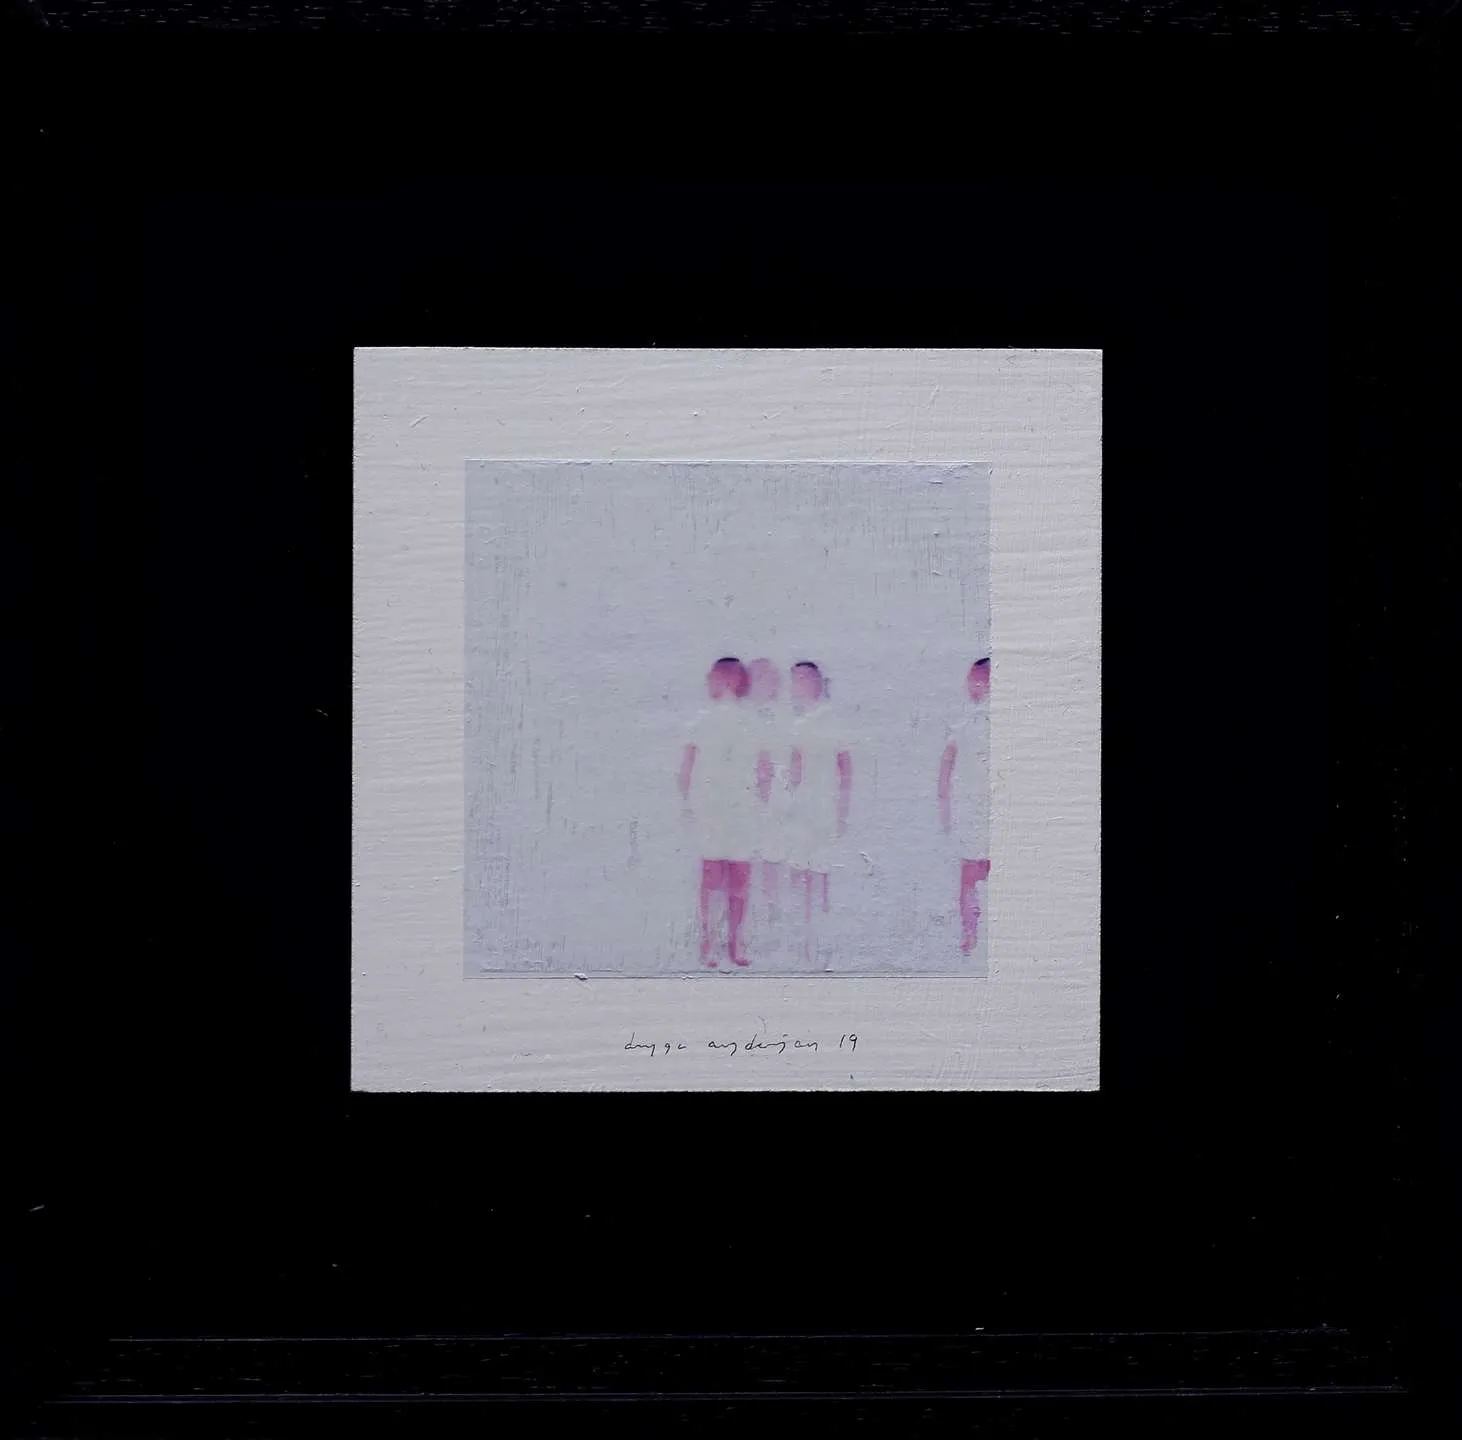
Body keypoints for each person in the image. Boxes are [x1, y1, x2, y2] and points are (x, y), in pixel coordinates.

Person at [678, 657, 756, 968]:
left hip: (725, 809)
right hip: (727, 809)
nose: (708, 682)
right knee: (733, 879)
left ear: (727, 680)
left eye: (712, 677)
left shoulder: (713, 722)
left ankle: (718, 943)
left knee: (717, 878)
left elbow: (686, 771)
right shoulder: (709, 722)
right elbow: (687, 769)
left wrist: (688, 804)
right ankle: (722, 943)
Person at [783, 661, 852, 962]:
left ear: (813, 683)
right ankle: (808, 939)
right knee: (808, 872)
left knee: (812, 873)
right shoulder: (807, 723)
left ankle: (812, 939)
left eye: (797, 681)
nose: (793, 688)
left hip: (817, 809)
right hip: (812, 809)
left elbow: (844, 770)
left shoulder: (818, 723)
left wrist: (842, 812)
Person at [938, 658, 991, 963]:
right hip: (981, 811)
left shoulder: (966, 725)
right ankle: (972, 933)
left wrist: (946, 806)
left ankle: (970, 933)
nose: (969, 686)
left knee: (970, 877)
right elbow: (946, 766)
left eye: (974, 680)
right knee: (976, 874)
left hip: (974, 811)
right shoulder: (967, 725)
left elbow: (945, 768)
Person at [745, 659, 789, 948]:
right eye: (764, 678)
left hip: (775, 796)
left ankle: (772, 910)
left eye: (772, 679)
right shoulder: (745, 718)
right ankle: (755, 915)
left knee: (772, 855)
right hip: (748, 796)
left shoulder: (780, 718)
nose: (771, 685)